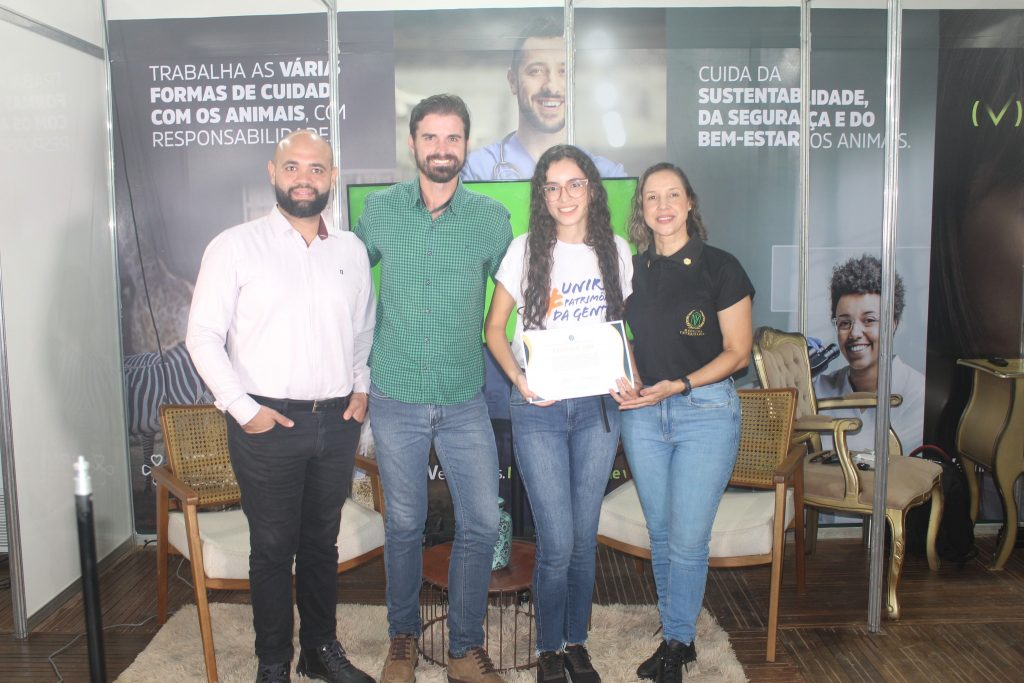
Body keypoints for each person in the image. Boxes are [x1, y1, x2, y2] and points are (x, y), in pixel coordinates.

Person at [186, 130, 375, 683]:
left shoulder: (351, 251)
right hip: (267, 423)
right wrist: (243, 409)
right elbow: (202, 336)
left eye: (316, 169)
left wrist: (360, 387)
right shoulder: (233, 246)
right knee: (271, 549)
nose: (304, 179)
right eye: (292, 167)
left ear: (332, 177)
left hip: (336, 421)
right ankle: (273, 662)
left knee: (321, 543)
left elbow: (362, 330)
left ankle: (319, 650)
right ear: (273, 173)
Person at [354, 93, 514, 683]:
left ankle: (463, 649)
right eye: (431, 137)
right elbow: (345, 283)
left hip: (464, 396)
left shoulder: (491, 219)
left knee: (482, 523)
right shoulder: (380, 211)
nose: (441, 148)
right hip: (394, 394)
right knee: (403, 525)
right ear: (413, 143)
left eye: (453, 138)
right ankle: (402, 639)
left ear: (466, 144)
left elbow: (522, 292)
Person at [483, 145, 632, 683]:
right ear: (541, 195)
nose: (563, 196)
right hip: (539, 411)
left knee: (584, 537)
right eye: (551, 186)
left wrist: (629, 376)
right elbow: (493, 329)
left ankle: (576, 642)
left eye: (574, 184)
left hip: (597, 410)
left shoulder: (616, 250)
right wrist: (519, 380)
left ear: (591, 189)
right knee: (557, 541)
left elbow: (623, 331)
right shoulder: (524, 250)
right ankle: (549, 648)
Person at [611, 162, 754, 683]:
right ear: (642, 209)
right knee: (662, 532)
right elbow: (622, 337)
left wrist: (681, 384)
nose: (663, 206)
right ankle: (679, 632)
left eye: (672, 195)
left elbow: (738, 353)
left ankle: (676, 642)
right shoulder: (630, 271)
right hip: (645, 415)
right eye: (652, 197)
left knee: (689, 538)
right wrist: (630, 377)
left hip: (705, 412)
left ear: (690, 202)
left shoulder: (721, 267)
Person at [461, 16, 626, 181]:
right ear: (513, 81)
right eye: (536, 71)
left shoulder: (608, 176)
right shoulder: (476, 171)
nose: (551, 86)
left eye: (563, 71)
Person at [814, 255, 925, 455]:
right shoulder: (819, 387)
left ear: (893, 324)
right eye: (844, 323)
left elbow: (890, 461)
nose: (854, 333)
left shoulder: (916, 393)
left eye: (869, 320)